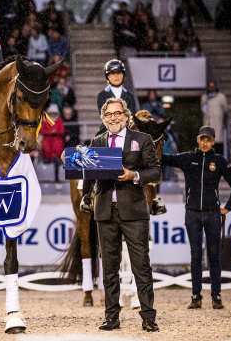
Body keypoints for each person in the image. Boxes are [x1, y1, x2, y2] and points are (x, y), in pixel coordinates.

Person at [81, 98, 160, 332]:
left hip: (134, 211)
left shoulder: (142, 140)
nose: (113, 118)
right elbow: (89, 176)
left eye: (118, 114)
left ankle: (148, 317)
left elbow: (155, 170)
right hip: (105, 211)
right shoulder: (97, 141)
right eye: (109, 115)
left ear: (126, 116)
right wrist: (74, 162)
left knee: (141, 266)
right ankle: (111, 317)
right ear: (103, 118)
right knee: (109, 268)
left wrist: (133, 175)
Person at [161, 126, 231, 310]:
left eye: (209, 140)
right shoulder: (188, 158)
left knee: (214, 256)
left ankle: (216, 296)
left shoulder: (219, 161)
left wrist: (227, 208)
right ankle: (196, 297)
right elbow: (165, 159)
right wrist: (152, 144)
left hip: (213, 214)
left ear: (213, 142)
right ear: (197, 140)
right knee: (195, 255)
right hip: (192, 214)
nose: (205, 143)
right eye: (202, 139)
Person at [200, 81, 228, 155]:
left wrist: (225, 123)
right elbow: (203, 109)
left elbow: (226, 111)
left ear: (216, 87)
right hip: (208, 125)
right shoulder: (204, 97)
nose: (211, 88)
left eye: (213, 86)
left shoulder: (221, 97)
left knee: (218, 145)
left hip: (218, 125)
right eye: (210, 86)